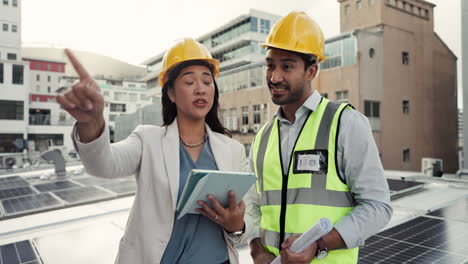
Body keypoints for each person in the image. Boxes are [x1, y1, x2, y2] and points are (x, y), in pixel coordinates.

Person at [57, 38, 253, 264]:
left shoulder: (233, 150)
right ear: (171, 93)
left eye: (207, 82)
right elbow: (103, 164)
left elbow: (244, 224)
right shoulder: (147, 140)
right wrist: (92, 122)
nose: (200, 89)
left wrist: (236, 225)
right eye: (189, 82)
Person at [244, 11, 393, 264]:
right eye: (270, 65)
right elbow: (253, 207)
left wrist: (319, 244)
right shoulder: (262, 138)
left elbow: (378, 207)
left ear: (311, 71)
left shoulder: (345, 123)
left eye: (287, 66)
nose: (275, 77)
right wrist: (257, 249)